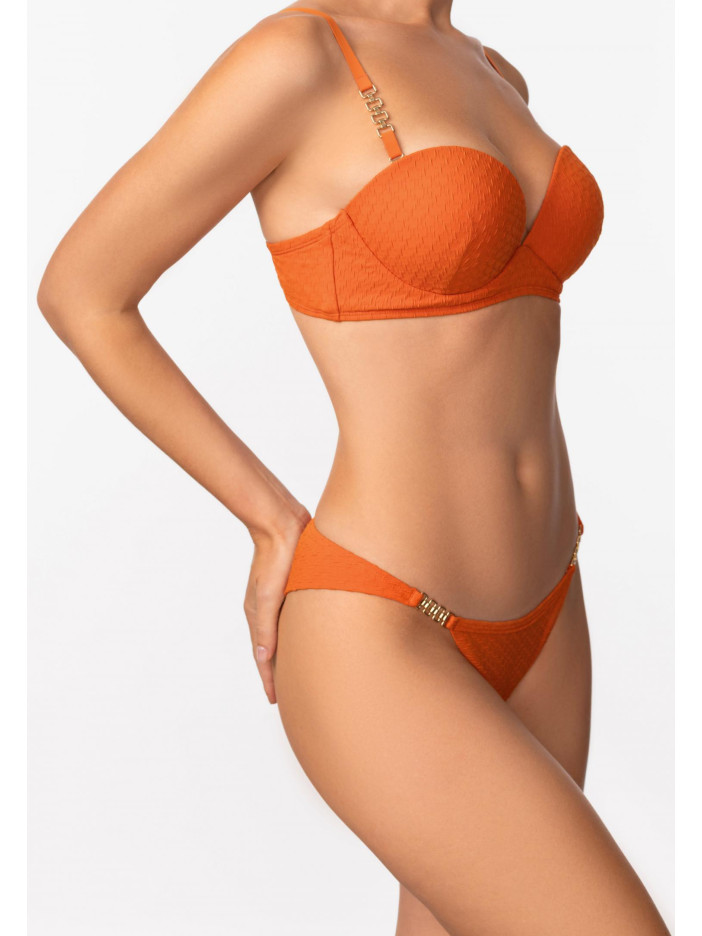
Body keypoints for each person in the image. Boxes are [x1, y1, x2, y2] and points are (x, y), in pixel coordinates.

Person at [36, 3, 671, 933]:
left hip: (549, 609)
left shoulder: (493, 70)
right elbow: (83, 291)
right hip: (385, 620)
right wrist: (268, 519)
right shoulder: (300, 56)